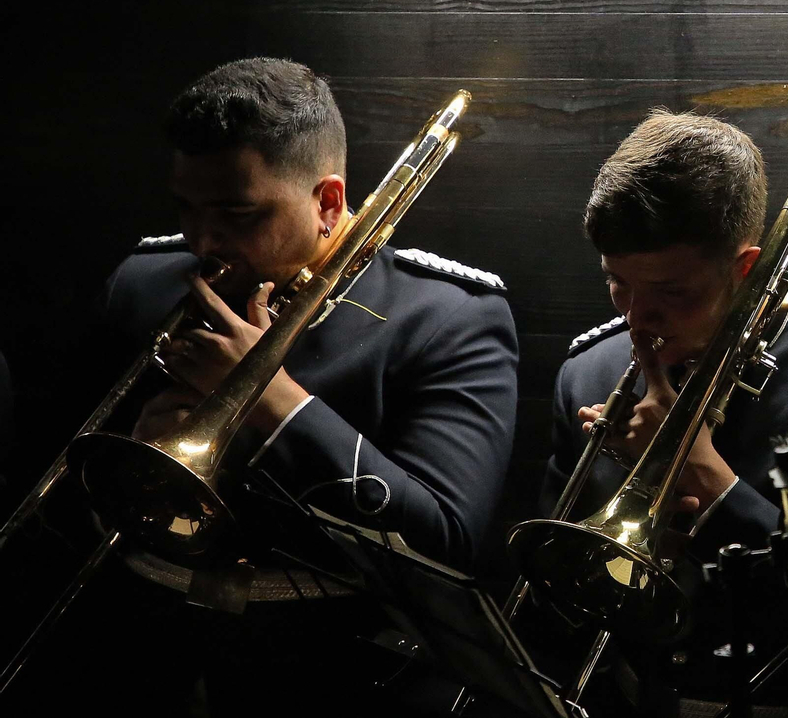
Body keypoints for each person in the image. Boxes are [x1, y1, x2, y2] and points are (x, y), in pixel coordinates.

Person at [7, 58, 519, 712]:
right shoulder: (142, 281)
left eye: (238, 213)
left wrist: (272, 399)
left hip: (341, 676)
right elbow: (50, 496)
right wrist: (122, 470)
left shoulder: (448, 315)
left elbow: (446, 544)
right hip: (144, 663)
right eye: (186, 208)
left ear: (328, 201)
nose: (203, 239)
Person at [532, 110, 788, 714]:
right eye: (618, 284)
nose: (637, 317)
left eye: (671, 293)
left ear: (744, 269)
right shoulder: (587, 372)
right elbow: (553, 594)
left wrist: (711, 482)